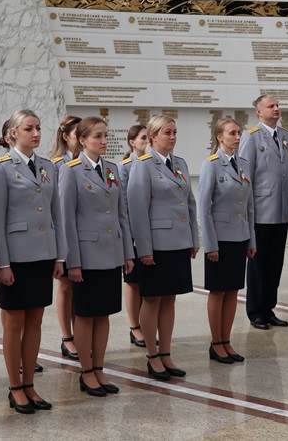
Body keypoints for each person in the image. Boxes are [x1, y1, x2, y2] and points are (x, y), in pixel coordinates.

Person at [0, 110, 65, 413]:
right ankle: (15, 386)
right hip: (16, 258)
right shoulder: (1, 168)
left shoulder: (47, 166)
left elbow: (55, 213)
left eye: (38, 128)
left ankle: (30, 383)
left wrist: (59, 255)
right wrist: (2, 263)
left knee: (35, 321)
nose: (36, 133)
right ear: (12, 134)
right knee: (14, 322)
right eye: (29, 128)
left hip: (42, 255)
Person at [59, 116, 134, 395]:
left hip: (111, 253)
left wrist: (127, 253)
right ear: (82, 140)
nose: (104, 141)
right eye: (97, 136)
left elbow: (121, 214)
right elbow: (67, 220)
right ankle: (86, 371)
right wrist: (73, 262)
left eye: (105, 136)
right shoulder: (71, 171)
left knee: (104, 314)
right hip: (87, 255)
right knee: (86, 315)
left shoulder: (111, 169)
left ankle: (99, 369)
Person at [127, 114, 198, 379]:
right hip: (155, 245)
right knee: (152, 299)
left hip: (178, 241)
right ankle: (152, 355)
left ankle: (166, 353)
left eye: (174, 132)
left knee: (170, 299)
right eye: (167, 132)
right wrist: (144, 249)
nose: (172, 137)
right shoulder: (143, 165)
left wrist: (193, 239)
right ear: (153, 136)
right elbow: (138, 210)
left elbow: (189, 204)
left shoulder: (179, 163)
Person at [198, 118, 256, 363]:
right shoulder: (211, 164)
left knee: (232, 291)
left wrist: (251, 240)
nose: (237, 137)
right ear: (219, 136)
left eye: (238, 132)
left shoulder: (243, 164)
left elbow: (249, 206)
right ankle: (216, 343)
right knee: (218, 291)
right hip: (220, 239)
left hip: (239, 236)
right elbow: (204, 208)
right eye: (232, 133)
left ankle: (226, 340)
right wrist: (210, 245)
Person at [238, 95, 288, 330]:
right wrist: (247, 211)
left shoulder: (286, 136)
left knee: (275, 264)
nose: (276, 109)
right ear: (259, 112)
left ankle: (269, 308)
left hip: (281, 211)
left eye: (277, 105)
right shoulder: (251, 137)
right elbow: (245, 176)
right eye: (271, 106)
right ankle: (256, 311)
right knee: (259, 265)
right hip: (261, 211)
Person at [50, 115, 82, 361]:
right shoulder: (57, 165)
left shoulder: (86, 162)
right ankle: (67, 337)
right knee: (65, 286)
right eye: (78, 134)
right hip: (63, 232)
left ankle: (79, 334)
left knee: (79, 287)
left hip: (84, 235)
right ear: (65, 137)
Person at [118, 125, 148, 348]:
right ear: (132, 142)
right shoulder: (125, 167)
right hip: (131, 233)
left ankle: (146, 324)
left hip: (149, 233)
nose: (147, 142)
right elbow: (124, 205)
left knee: (147, 284)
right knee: (133, 282)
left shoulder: (151, 164)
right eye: (143, 138)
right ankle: (134, 326)